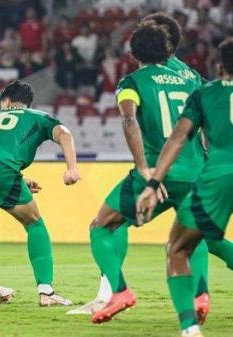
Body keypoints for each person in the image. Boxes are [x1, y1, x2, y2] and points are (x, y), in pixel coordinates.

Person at [72, 12, 210, 316]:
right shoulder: (191, 76)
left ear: (133, 52)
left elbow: (129, 120)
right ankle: (201, 297)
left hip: (156, 172)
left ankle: (119, 292)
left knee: (102, 226)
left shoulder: (132, 81)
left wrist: (144, 169)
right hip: (197, 170)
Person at [0, 80, 81, 305]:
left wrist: (18, 179)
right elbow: (65, 134)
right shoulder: (37, 116)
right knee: (34, 223)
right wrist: (72, 167)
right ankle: (47, 293)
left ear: (6, 101)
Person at [136, 38, 233, 337]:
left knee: (177, 249)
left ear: (219, 66)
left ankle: (190, 329)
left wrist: (153, 182)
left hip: (219, 175)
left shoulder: (205, 93)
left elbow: (178, 138)